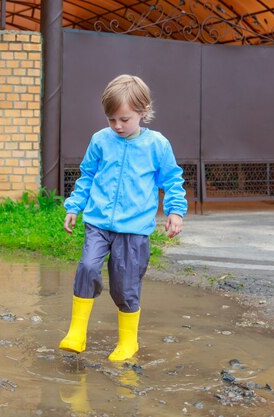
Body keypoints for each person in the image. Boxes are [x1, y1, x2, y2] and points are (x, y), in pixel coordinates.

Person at [59, 74, 187, 362]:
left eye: (124, 119)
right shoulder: (100, 141)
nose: (117, 125)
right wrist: (74, 206)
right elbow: (87, 176)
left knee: (125, 286)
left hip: (134, 230)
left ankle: (128, 342)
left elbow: (172, 180)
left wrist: (175, 211)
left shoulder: (157, 145)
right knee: (87, 267)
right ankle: (76, 333)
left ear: (143, 112)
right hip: (98, 223)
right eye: (111, 119)